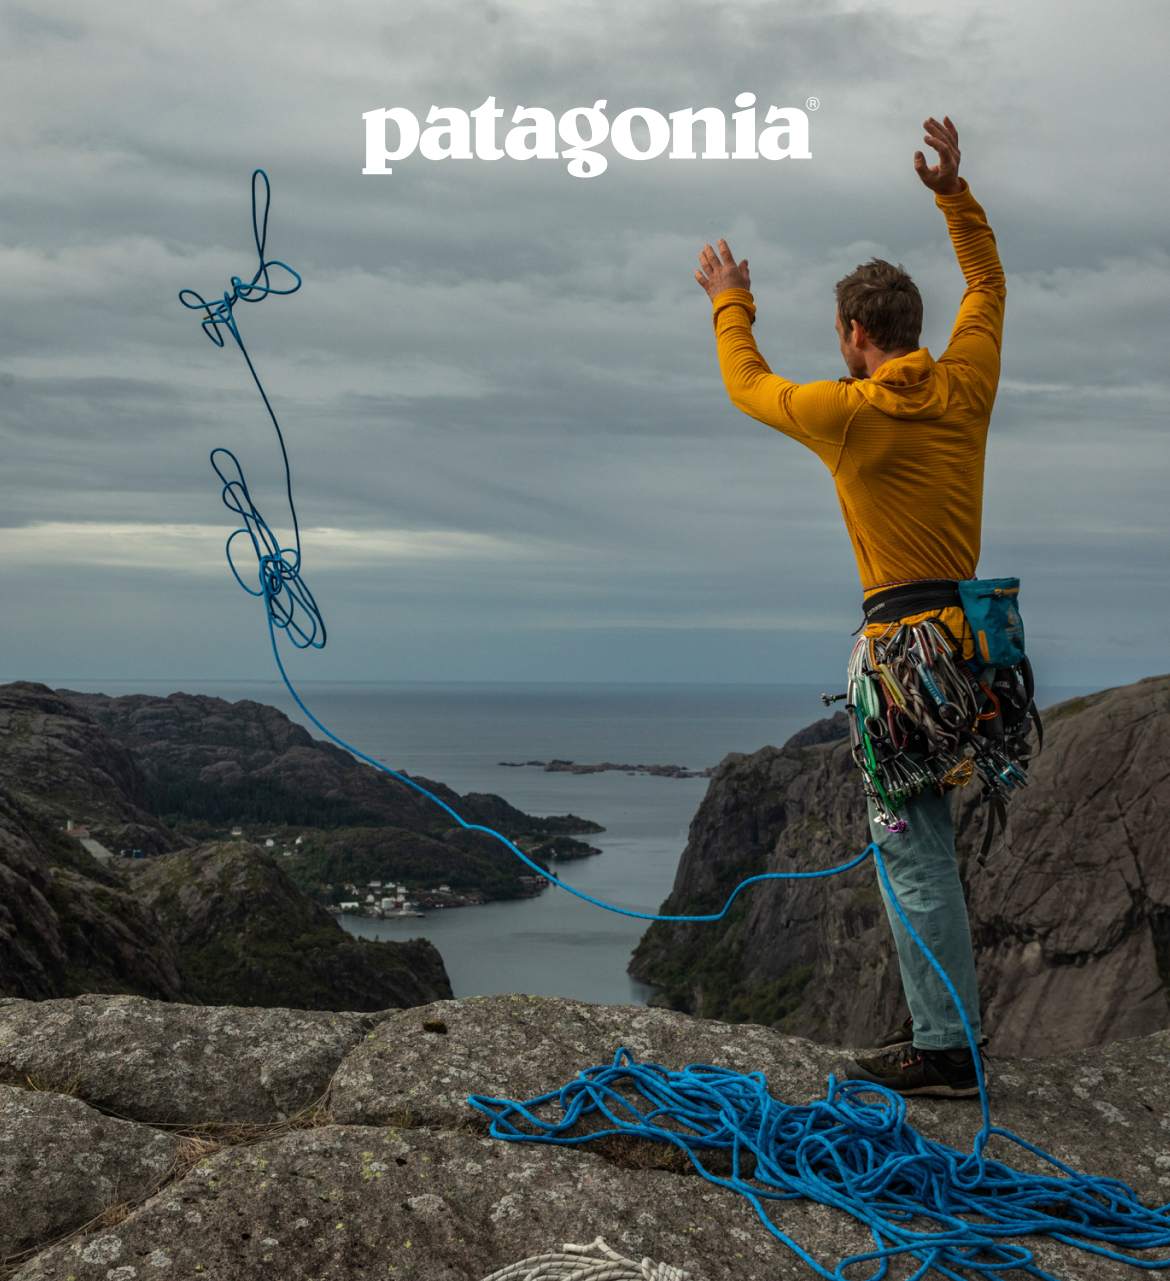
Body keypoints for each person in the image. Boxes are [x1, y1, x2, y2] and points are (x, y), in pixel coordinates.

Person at [694, 115, 1003, 1099]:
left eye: (844, 335)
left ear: (855, 335)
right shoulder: (966, 383)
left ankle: (944, 1047)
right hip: (971, 641)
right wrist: (954, 196)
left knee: (912, 851)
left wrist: (730, 302)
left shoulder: (851, 416)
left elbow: (748, 386)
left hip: (902, 655)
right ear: (912, 325)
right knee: (931, 842)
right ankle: (944, 1030)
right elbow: (987, 288)